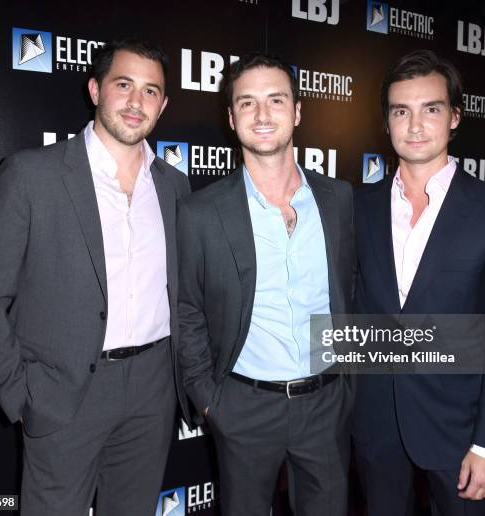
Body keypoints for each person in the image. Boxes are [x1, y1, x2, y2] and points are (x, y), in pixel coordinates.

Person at [0, 38, 190, 516]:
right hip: (64, 392)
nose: (135, 102)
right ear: (95, 89)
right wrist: (21, 394)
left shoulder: (174, 185)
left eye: (150, 91)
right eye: (123, 85)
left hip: (153, 388)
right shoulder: (31, 176)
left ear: (163, 104)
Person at [352, 50, 485, 515]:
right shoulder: (358, 208)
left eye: (430, 109)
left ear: (454, 116)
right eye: (401, 111)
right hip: (376, 426)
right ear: (386, 122)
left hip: (460, 431)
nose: (414, 125)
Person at [177, 53, 354, 515]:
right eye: (247, 102)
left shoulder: (339, 199)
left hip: (327, 404)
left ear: (296, 112)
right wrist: (211, 402)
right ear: (231, 117)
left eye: (276, 100)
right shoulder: (200, 213)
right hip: (244, 407)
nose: (262, 115)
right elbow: (187, 310)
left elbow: (351, 290)